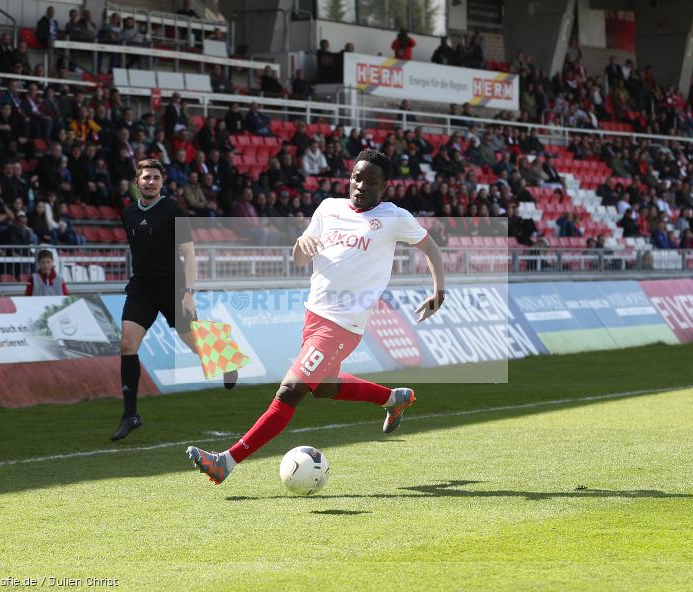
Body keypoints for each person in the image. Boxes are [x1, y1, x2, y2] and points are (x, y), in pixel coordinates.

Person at [186, 150, 446, 484]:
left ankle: (226, 461)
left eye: (370, 181)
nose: (361, 185)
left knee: (290, 391)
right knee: (324, 388)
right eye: (357, 177)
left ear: (383, 187)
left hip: (343, 325)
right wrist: (301, 242)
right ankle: (393, 398)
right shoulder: (328, 207)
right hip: (314, 315)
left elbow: (430, 248)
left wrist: (439, 290)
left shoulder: (393, 217)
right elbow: (298, 258)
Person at [112, 159, 238, 441]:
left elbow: (189, 254)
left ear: (162, 182)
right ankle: (130, 414)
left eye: (155, 177)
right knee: (127, 344)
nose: (150, 182)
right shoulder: (128, 213)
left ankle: (225, 355)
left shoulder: (173, 210)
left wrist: (189, 293)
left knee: (191, 342)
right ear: (137, 181)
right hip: (142, 288)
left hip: (174, 288)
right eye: (145, 177)